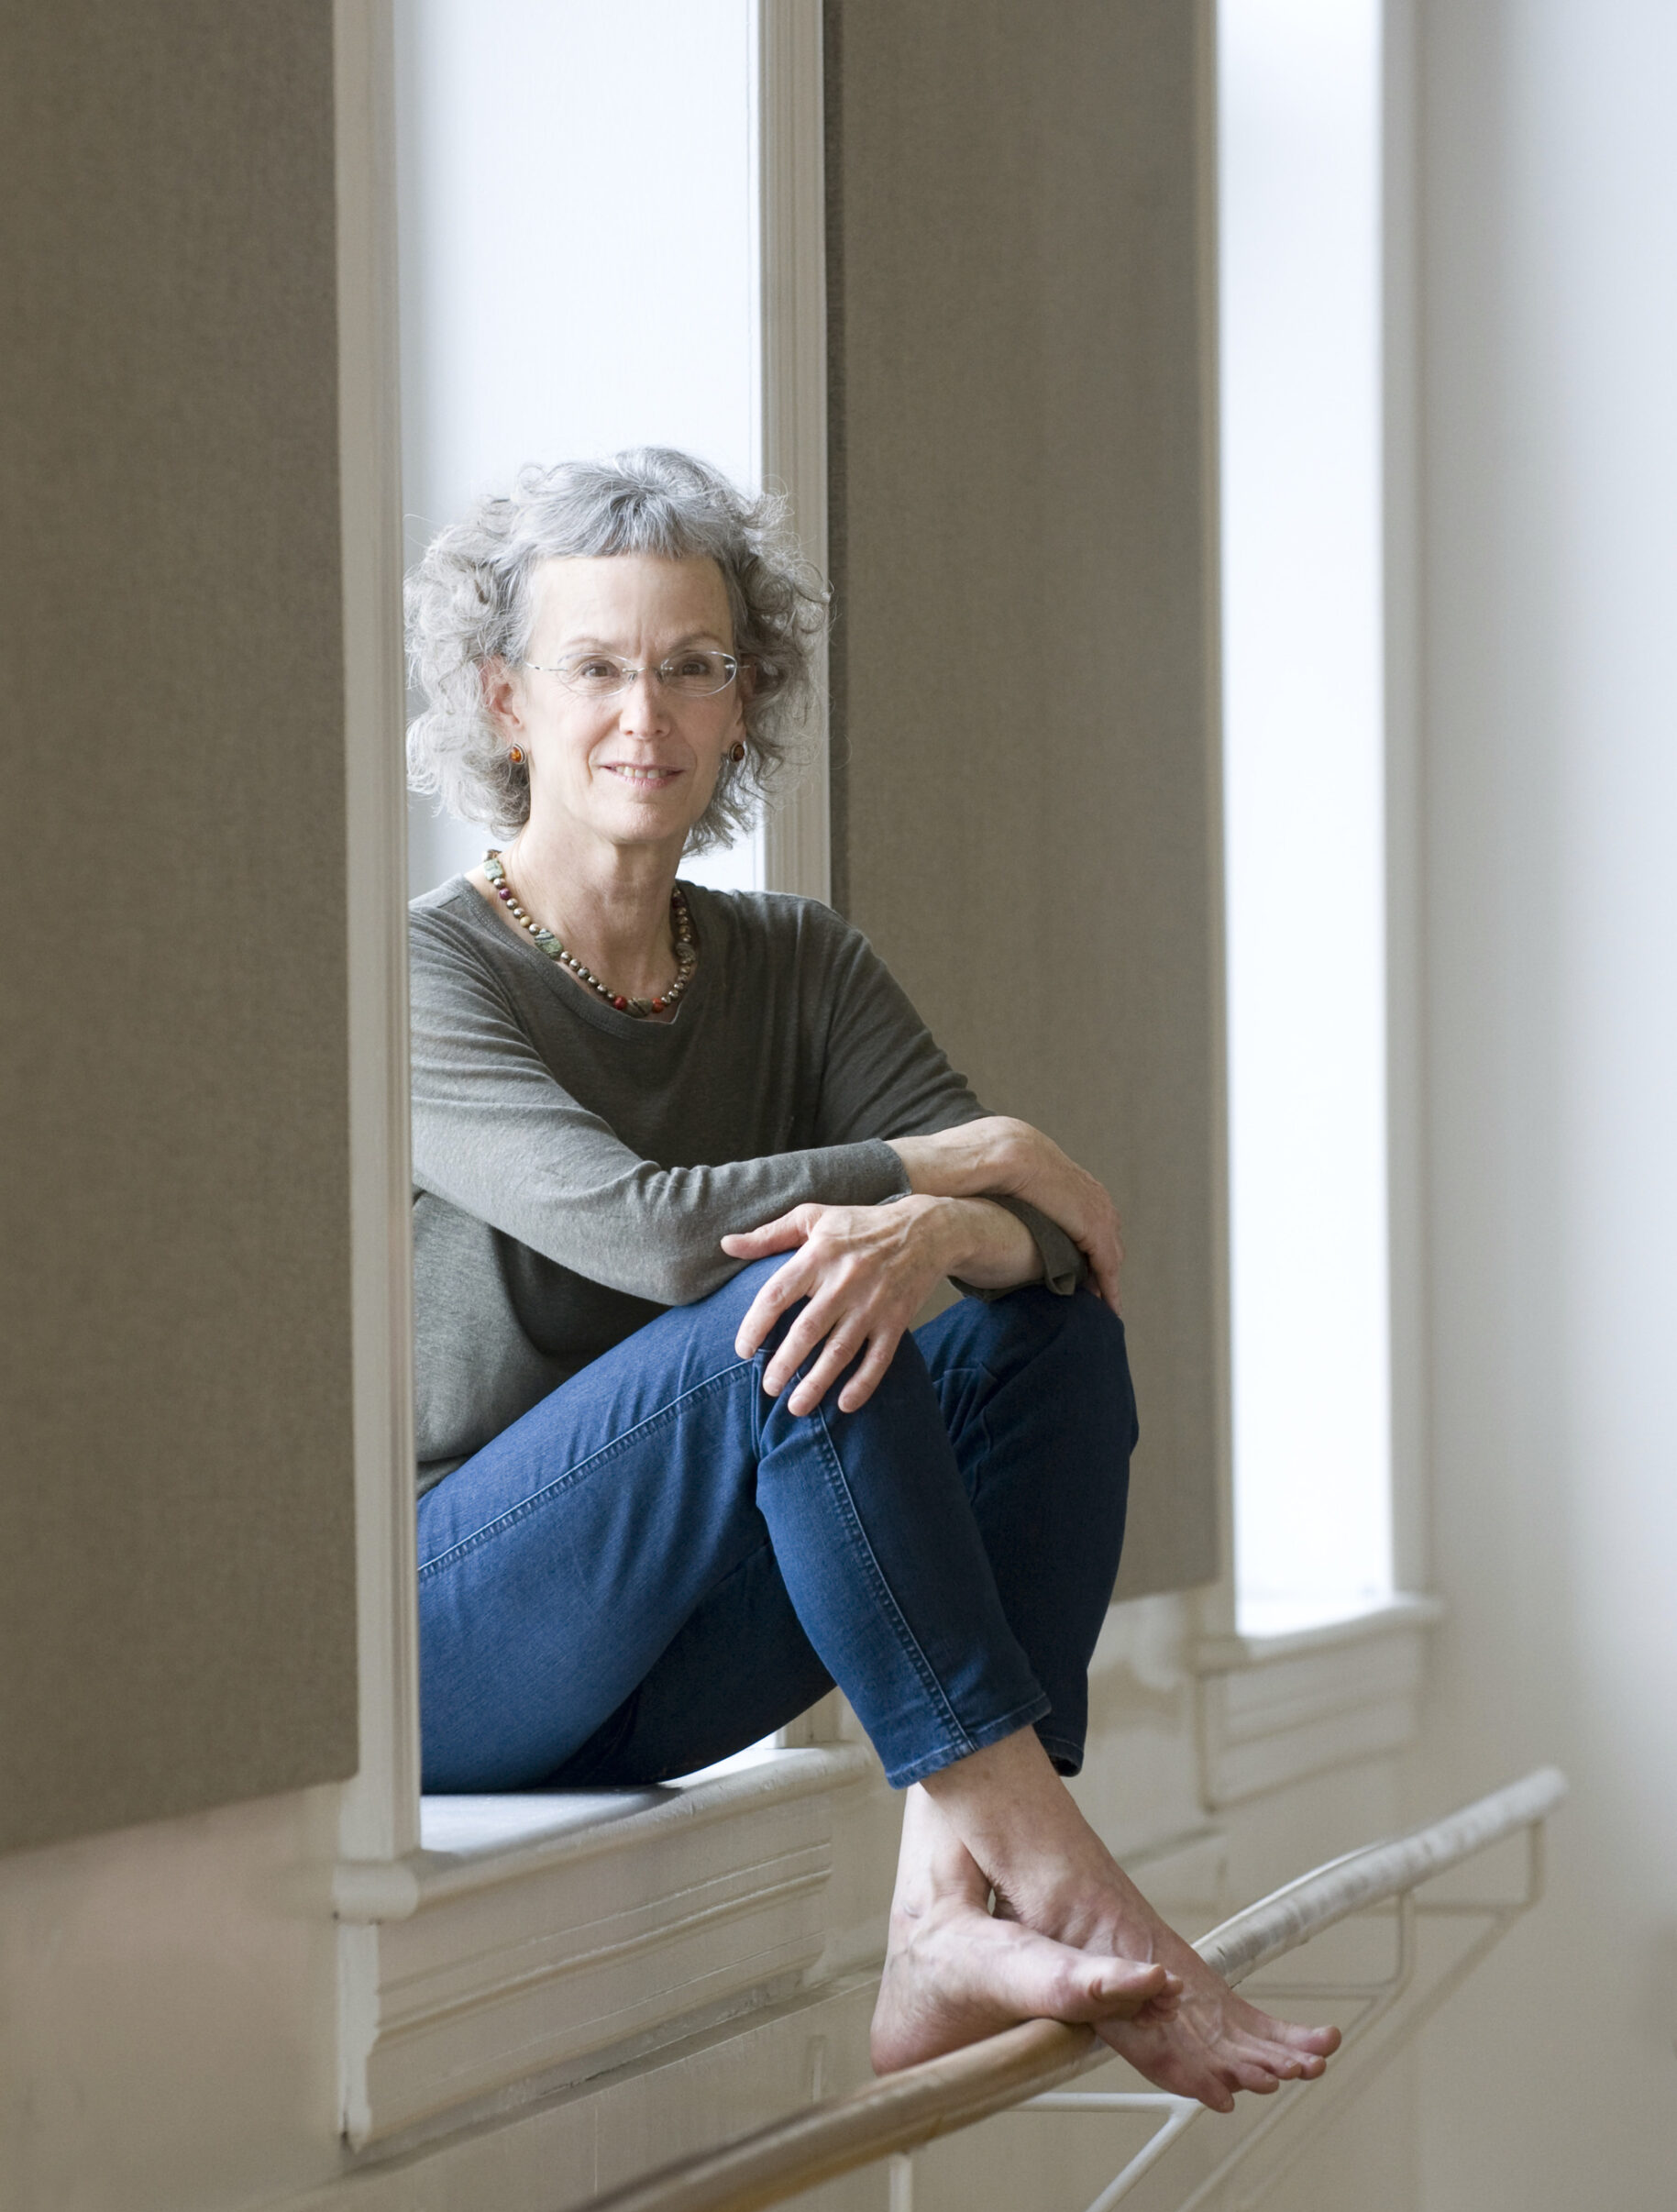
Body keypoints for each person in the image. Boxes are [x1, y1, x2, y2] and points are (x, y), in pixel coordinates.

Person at [405, 448, 1339, 2111]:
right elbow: (641, 1227)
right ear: (503, 702)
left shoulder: (798, 959)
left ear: (747, 695)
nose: (648, 714)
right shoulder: (417, 972)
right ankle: (1070, 1881)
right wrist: (934, 1171)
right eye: (596, 667)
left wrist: (941, 1231)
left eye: (694, 665)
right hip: (459, 1640)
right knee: (784, 1312)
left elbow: (1054, 1242)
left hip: (667, 1665)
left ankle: (943, 1911)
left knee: (1029, 1333)